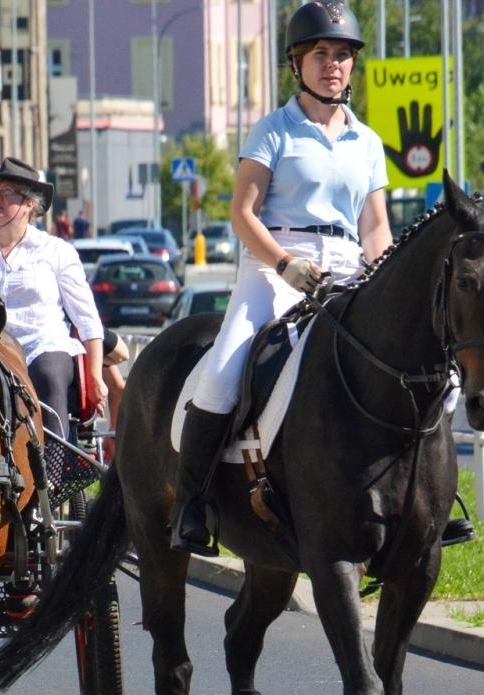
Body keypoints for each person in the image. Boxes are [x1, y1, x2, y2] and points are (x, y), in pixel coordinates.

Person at [172, 0, 390, 555]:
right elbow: (242, 214)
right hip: (276, 262)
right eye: (321, 54)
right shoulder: (274, 129)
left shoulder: (366, 142)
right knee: (223, 369)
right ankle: (191, 502)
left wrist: (380, 277)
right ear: (298, 62)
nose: (333, 65)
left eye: (342, 56)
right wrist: (286, 265)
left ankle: (417, 503)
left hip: (345, 266)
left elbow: (375, 225)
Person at [0, 157, 105, 438]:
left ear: (29, 204)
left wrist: (95, 376)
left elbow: (87, 320)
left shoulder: (56, 251)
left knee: (48, 373)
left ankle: (53, 469)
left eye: (6, 193)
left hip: (41, 345)